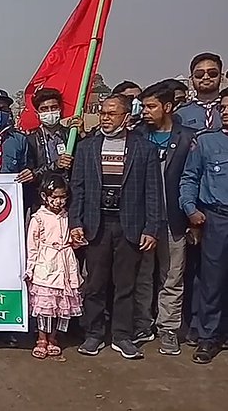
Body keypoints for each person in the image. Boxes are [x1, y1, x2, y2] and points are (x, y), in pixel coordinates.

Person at [70, 94, 165, 360]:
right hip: (96, 224)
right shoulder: (88, 147)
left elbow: (153, 192)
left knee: (126, 285)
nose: (106, 117)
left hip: (130, 226)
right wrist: (75, 222)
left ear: (126, 117)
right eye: (103, 112)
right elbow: (77, 189)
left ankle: (122, 336)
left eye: (112, 113)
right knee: (95, 284)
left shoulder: (143, 149)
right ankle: (94, 334)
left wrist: (151, 228)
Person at [131, 82, 193, 355]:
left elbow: (192, 179)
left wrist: (191, 217)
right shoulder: (136, 137)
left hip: (174, 220)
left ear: (168, 107)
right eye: (143, 106)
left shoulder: (188, 138)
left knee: (171, 277)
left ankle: (168, 328)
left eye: (151, 106)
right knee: (142, 276)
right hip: (143, 221)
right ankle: (142, 324)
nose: (145, 111)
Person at [179, 87, 228, 364]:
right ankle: (208, 337)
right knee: (213, 280)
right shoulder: (206, 142)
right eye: (223, 108)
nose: (227, 112)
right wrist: (190, 209)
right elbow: (189, 178)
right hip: (217, 218)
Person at [25, 174, 83, 359]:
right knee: (45, 306)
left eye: (62, 197)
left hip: (66, 263)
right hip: (46, 264)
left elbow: (74, 241)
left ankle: (54, 338)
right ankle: (41, 338)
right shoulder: (38, 218)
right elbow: (32, 246)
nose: (59, 201)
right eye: (55, 197)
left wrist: (77, 242)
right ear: (44, 196)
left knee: (61, 305)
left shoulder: (69, 216)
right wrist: (30, 268)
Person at [25, 88, 82, 210]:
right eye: (44, 109)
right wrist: (55, 165)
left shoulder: (71, 135)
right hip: (42, 201)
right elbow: (31, 174)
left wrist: (82, 134)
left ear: (60, 110)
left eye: (53, 107)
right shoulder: (30, 140)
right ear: (37, 113)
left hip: (69, 199)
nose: (50, 112)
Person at [175, 52, 223, 133]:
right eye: (199, 74)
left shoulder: (226, 108)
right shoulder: (180, 114)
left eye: (212, 73)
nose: (206, 77)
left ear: (221, 77)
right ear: (191, 79)